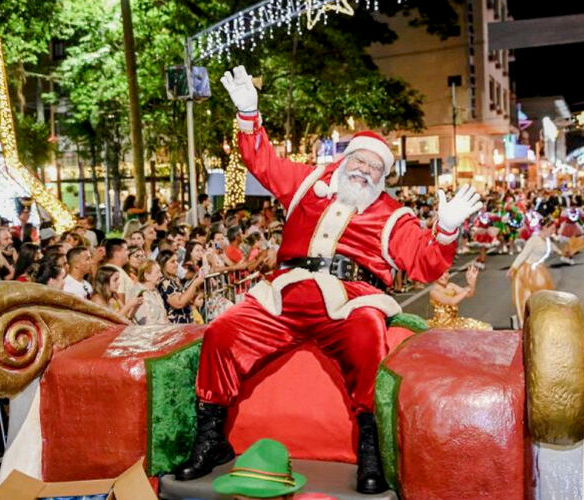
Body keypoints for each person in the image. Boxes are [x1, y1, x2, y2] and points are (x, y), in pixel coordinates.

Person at [173, 66, 483, 494]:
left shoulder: (392, 214)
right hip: (285, 292)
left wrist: (445, 228)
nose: (365, 170)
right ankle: (211, 439)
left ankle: (370, 449)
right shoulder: (307, 184)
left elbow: (426, 265)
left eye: (375, 167)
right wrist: (249, 113)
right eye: (359, 160)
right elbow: (260, 161)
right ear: (344, 160)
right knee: (223, 332)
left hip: (352, 298)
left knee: (367, 336)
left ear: (383, 177)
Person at [507, 226, 556, 324]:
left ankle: (541, 319)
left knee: (544, 296)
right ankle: (524, 321)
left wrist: (564, 252)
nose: (553, 231)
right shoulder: (534, 240)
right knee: (527, 297)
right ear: (544, 228)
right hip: (527, 271)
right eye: (552, 229)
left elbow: (555, 249)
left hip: (540, 271)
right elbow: (523, 254)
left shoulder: (547, 241)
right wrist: (514, 267)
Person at [156, 251, 205, 324]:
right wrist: (194, 285)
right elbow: (179, 303)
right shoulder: (165, 283)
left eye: (176, 261)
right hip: (176, 326)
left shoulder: (175, 279)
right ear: (163, 264)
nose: (176, 264)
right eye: (172, 262)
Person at [134, 260, 169, 325]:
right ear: (147, 276)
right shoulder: (139, 292)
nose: (161, 275)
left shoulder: (155, 291)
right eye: (157, 272)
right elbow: (144, 322)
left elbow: (164, 317)